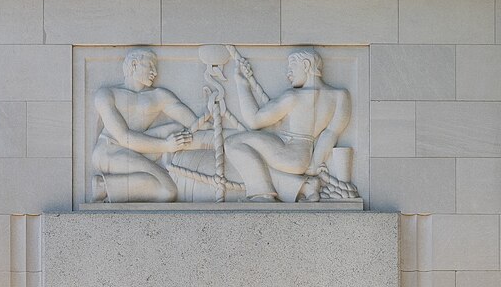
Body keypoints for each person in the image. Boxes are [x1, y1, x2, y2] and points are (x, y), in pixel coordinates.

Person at [226, 49, 351, 202]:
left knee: (233, 142)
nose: (288, 74)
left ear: (306, 65)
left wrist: (242, 84)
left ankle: (263, 195)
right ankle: (305, 186)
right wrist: (313, 164)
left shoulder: (293, 97)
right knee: (258, 159)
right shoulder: (341, 96)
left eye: (291, 68)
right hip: (303, 156)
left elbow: (254, 121)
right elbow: (331, 133)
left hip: (287, 150)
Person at [91, 49, 197, 203]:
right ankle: (103, 186)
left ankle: (127, 183)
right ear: (134, 64)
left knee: (176, 130)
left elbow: (196, 124)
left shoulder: (160, 96)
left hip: (139, 151)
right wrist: (166, 145)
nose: (155, 72)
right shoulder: (107, 94)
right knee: (168, 190)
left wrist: (215, 109)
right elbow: (123, 136)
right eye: (150, 66)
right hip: (110, 150)